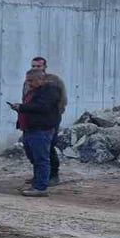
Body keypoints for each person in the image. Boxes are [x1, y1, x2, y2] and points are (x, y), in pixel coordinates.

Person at [10, 69, 63, 196]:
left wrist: (21, 107)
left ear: (40, 79)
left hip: (41, 130)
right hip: (30, 129)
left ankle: (40, 188)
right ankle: (37, 183)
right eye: (27, 80)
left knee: (41, 159)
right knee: (34, 157)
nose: (28, 83)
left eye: (31, 80)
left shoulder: (50, 90)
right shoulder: (35, 91)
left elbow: (42, 107)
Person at [24, 56, 68, 185]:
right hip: (33, 120)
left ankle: (52, 175)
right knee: (33, 149)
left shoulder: (54, 82)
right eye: (33, 66)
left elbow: (61, 101)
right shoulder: (30, 80)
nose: (36, 68)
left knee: (47, 148)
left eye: (38, 66)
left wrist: (53, 117)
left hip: (49, 120)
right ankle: (39, 176)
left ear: (45, 67)